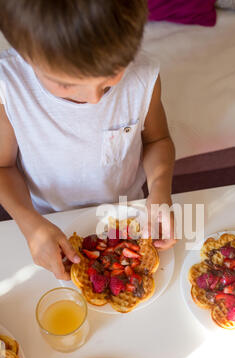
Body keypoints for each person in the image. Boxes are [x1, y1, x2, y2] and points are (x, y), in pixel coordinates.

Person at [0, 0, 176, 281]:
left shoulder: (143, 77)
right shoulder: (8, 89)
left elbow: (157, 140)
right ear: (26, 56)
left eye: (109, 80)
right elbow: (2, 168)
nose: (94, 98)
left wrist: (160, 191)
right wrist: (29, 223)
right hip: (47, 219)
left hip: (128, 212)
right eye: (67, 84)